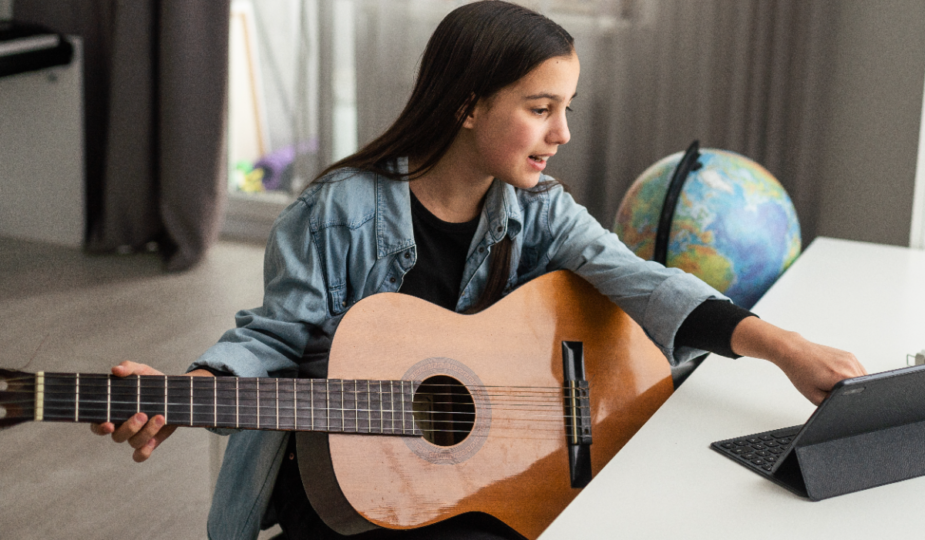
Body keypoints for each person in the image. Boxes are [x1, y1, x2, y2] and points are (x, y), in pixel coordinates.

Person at [91, 2, 866, 539]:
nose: (561, 132)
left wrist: (785, 348)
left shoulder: (537, 209)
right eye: (539, 107)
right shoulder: (335, 211)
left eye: (565, 107)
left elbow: (644, 283)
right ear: (467, 107)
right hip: (345, 482)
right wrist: (198, 383)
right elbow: (272, 337)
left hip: (470, 477)